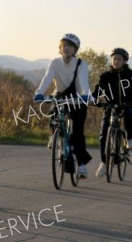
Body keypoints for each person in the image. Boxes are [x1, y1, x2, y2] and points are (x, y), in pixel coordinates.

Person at [33, 33, 93, 178]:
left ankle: (82, 165)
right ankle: (54, 136)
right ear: (60, 48)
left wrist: (86, 94)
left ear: (75, 49)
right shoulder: (54, 62)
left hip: (78, 99)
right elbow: (48, 77)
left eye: (70, 46)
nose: (66, 48)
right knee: (54, 116)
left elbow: (83, 81)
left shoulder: (81, 64)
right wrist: (39, 92)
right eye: (63, 45)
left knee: (77, 133)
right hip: (60, 96)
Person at [92, 47, 132, 178]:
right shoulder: (106, 75)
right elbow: (99, 89)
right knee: (103, 134)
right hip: (110, 106)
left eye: (119, 59)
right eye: (114, 58)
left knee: (128, 113)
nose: (116, 61)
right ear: (111, 60)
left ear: (124, 61)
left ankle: (129, 138)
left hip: (128, 104)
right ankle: (104, 162)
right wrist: (93, 98)